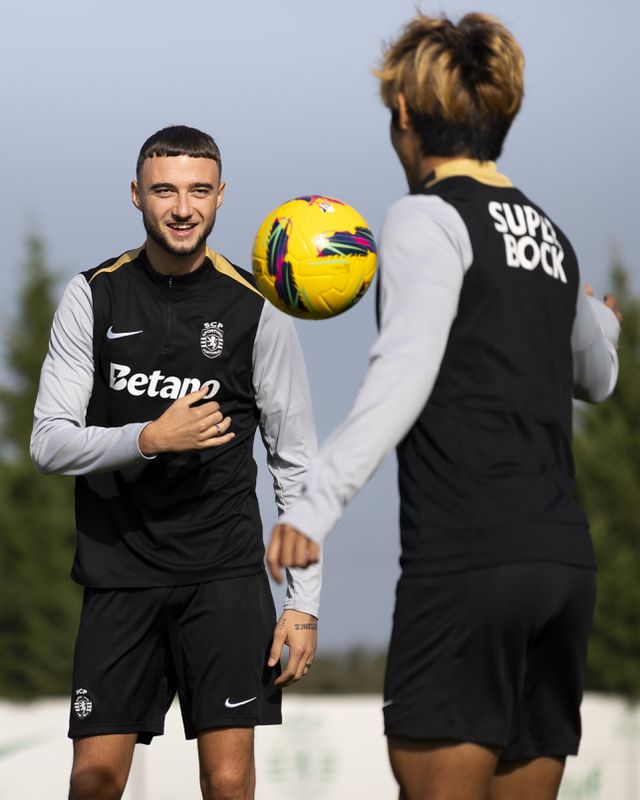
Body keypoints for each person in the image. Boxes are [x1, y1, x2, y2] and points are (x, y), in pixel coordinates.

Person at [266, 13, 622, 800]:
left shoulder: (424, 216)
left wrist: (315, 507)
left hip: (471, 559)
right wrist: (603, 323)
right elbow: (598, 378)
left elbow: (405, 370)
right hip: (562, 567)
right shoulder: (550, 236)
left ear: (402, 117)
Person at [30, 125, 321, 800]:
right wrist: (148, 439)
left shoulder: (261, 309)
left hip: (223, 578)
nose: (182, 207)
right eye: (164, 190)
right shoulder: (92, 296)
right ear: (137, 196)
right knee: (95, 779)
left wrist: (303, 605)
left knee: (227, 781)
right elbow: (48, 441)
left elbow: (297, 466)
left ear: (221, 196)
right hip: (118, 577)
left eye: (197, 190)